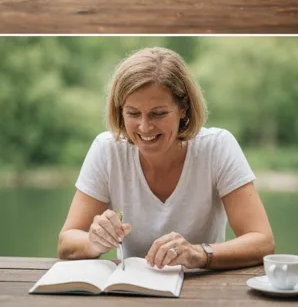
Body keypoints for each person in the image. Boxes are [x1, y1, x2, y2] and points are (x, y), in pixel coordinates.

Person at [57, 47, 275, 269]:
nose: (144, 127)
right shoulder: (107, 150)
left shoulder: (217, 147)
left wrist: (199, 254)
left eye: (158, 113)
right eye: (133, 113)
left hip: (204, 292)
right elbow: (67, 243)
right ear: (120, 111)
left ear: (184, 108)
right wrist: (94, 243)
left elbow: (262, 241)